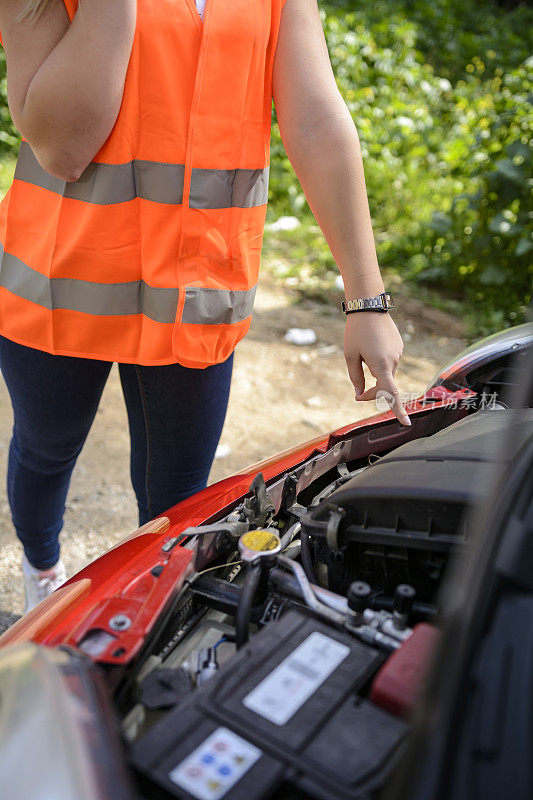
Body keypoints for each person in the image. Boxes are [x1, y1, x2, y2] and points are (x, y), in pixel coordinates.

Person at [0, 0, 410, 612]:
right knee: (47, 446)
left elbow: (317, 122)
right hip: (60, 286)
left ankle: (146, 623)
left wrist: (366, 299)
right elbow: (61, 147)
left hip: (199, 296)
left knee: (179, 504)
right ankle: (43, 573)